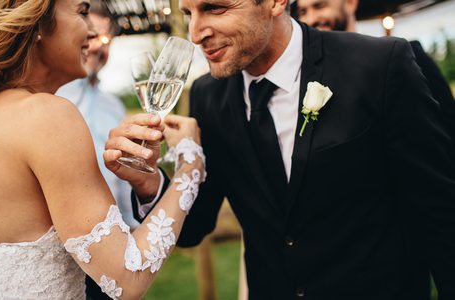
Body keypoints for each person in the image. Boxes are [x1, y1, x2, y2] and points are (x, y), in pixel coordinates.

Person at [105, 0, 455, 299]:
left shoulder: (380, 65)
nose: (196, 33)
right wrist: (149, 182)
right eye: (189, 12)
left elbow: (440, 214)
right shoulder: (207, 96)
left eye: (214, 7)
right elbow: (195, 225)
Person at [0, 1, 204, 299]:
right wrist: (190, 165)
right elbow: (128, 276)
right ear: (37, 23)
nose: (91, 32)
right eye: (82, 12)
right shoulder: (46, 115)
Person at [293, 0, 455, 141]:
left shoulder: (404, 55)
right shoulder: (308, 80)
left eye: (319, 6)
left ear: (350, 3)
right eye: (303, 12)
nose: (311, 19)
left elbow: (448, 124)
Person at [56, 1, 138, 230]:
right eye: (90, 37)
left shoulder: (114, 106)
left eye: (106, 40)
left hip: (115, 234)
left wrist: (132, 228)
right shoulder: (50, 99)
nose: (96, 48)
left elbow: (122, 178)